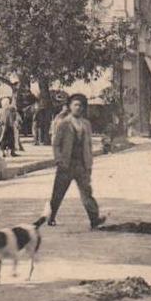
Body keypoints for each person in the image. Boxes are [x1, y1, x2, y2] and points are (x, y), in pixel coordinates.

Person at [47, 94, 106, 229]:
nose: (78, 108)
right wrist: (58, 159)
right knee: (58, 192)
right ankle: (51, 216)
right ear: (70, 107)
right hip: (66, 164)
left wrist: (89, 163)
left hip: (81, 164)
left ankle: (94, 219)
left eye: (81, 105)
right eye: (75, 105)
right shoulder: (63, 123)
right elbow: (55, 144)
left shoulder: (86, 124)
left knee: (87, 193)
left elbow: (89, 145)